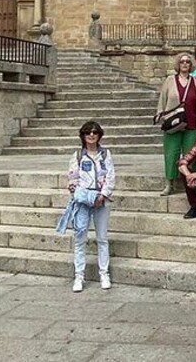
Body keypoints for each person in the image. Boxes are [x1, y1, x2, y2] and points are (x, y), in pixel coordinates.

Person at [66, 121, 115, 292]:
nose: (92, 135)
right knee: (80, 239)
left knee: (102, 238)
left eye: (95, 132)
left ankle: (104, 273)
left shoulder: (105, 154)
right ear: (83, 135)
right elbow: (72, 179)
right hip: (83, 202)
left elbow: (111, 176)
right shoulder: (78, 155)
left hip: (102, 200)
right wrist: (84, 196)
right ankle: (79, 276)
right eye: (88, 132)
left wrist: (102, 195)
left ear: (99, 135)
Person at [156, 53, 196, 196]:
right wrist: (160, 114)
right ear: (178, 64)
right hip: (173, 123)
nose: (185, 64)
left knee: (191, 155)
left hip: (192, 123)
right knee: (171, 153)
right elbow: (163, 99)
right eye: (182, 62)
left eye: (187, 62)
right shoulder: (170, 80)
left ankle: (190, 183)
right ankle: (169, 183)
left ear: (191, 65)